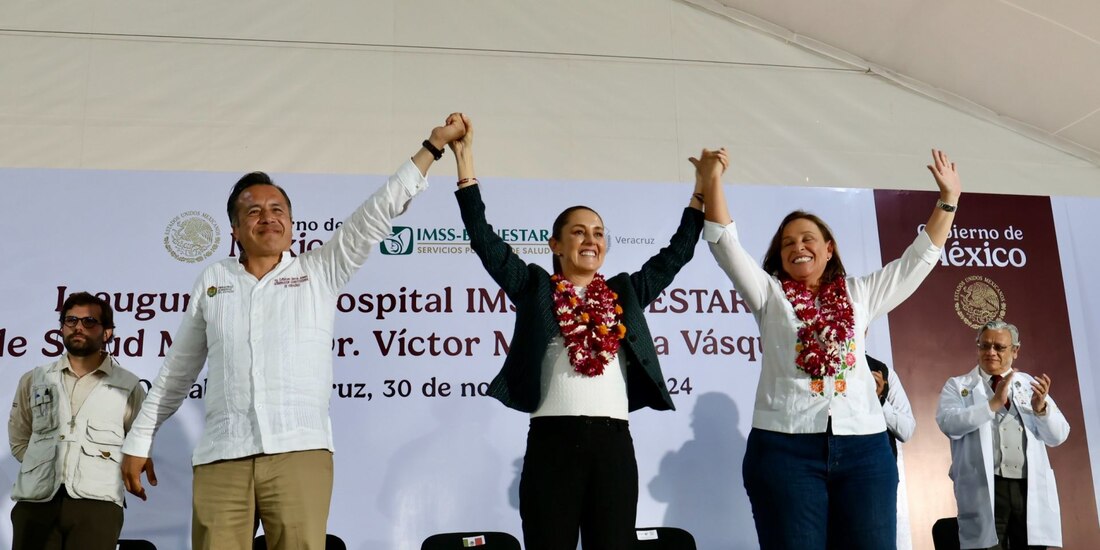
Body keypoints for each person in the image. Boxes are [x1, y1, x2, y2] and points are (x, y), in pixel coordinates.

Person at [119, 114, 467, 550]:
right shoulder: (213, 281)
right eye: (254, 211)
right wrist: (139, 438)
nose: (268, 217)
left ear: (291, 221)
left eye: (277, 209)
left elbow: (376, 213)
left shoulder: (319, 269)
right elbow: (177, 372)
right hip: (222, 456)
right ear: (235, 230)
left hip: (299, 450)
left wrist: (432, 147)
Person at [449, 114, 706, 550]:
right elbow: (484, 240)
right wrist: (464, 159)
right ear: (556, 245)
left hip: (613, 445)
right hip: (553, 442)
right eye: (579, 232)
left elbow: (675, 255)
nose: (592, 240)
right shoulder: (534, 287)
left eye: (599, 233)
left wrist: (701, 189)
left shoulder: (625, 291)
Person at [698, 148, 961, 548]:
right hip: (785, 449)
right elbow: (725, 244)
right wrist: (712, 179)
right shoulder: (770, 295)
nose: (797, 246)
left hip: (865, 450)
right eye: (787, 243)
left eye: (807, 238)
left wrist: (948, 200)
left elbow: (917, 260)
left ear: (829, 248)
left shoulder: (860, 293)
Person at [8, 292, 146, 549]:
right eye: (71, 321)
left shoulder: (128, 386)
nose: (79, 327)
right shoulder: (34, 379)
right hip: (35, 502)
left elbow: (138, 444)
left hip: (97, 504)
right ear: (61, 328)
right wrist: (44, 465)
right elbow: (19, 440)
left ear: (107, 332)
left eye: (89, 322)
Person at [936, 320, 1069, 549]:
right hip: (986, 488)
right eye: (984, 345)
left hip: (1027, 489)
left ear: (1015, 351)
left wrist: (1041, 411)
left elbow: (1058, 436)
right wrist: (991, 405)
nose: (991, 352)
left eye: (999, 347)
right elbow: (949, 424)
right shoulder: (958, 386)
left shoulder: (1030, 386)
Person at [866, 354, 915, 457]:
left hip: (878, 464)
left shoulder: (884, 373)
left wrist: (880, 400)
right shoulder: (826, 371)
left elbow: (906, 431)